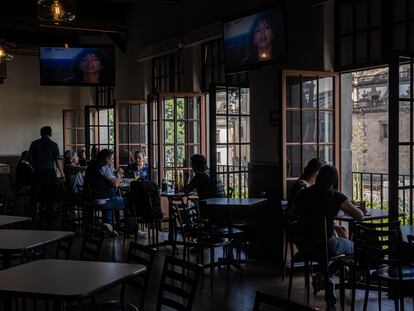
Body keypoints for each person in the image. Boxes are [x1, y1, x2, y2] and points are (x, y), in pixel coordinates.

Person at [294, 165, 364, 305]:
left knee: (323, 252)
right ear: (334, 180)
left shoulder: (303, 194)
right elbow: (360, 216)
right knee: (354, 248)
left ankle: (326, 278)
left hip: (304, 245)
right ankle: (328, 276)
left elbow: (291, 215)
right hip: (326, 244)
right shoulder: (335, 196)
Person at [29, 126, 65, 226]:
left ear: (41, 133)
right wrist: (62, 174)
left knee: (36, 197)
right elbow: (57, 161)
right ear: (50, 134)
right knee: (49, 197)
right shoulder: (53, 145)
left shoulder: (34, 144)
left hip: (38, 173)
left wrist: (36, 167)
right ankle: (49, 220)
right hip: (49, 173)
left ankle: (33, 220)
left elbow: (30, 159)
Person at [84, 149, 124, 236]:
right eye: (112, 159)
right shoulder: (104, 166)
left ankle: (108, 224)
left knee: (111, 196)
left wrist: (113, 172)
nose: (112, 161)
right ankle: (131, 228)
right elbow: (116, 184)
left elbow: (101, 178)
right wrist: (119, 174)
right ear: (107, 159)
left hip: (92, 198)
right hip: (102, 200)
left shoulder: (91, 165)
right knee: (128, 202)